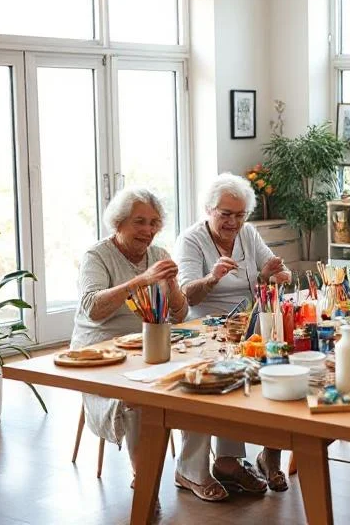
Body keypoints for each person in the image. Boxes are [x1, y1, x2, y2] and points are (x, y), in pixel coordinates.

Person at [68, 189, 216, 499]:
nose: (148, 230)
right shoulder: (97, 256)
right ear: (118, 223)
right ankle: (144, 473)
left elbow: (180, 313)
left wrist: (173, 285)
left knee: (200, 382)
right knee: (139, 397)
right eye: (140, 222)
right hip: (102, 353)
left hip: (151, 349)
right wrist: (141, 281)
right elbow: (92, 309)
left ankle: (192, 472)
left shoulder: (159, 255)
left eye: (154, 223)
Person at [174, 172, 291, 496]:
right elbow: (187, 296)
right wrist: (212, 278)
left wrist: (274, 274)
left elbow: (276, 271)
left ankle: (240, 458)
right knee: (214, 375)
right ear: (208, 209)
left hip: (245, 325)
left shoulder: (248, 234)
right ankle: (200, 467)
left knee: (279, 363)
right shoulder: (192, 239)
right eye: (226, 214)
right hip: (202, 328)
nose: (233, 222)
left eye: (240, 215)